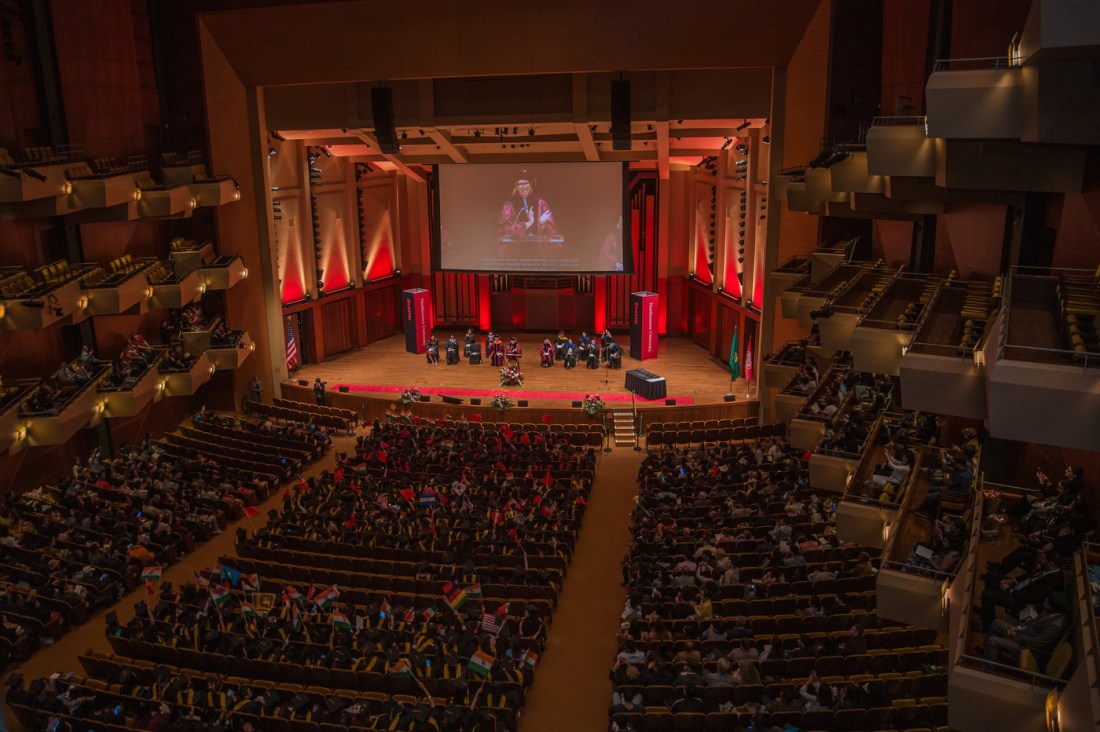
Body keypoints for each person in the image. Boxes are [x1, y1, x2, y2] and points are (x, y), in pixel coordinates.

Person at [983, 594, 1068, 668]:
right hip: (1022, 633)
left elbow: (1037, 643)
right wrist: (1018, 627)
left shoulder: (1054, 626)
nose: (1044, 601)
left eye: (1047, 601)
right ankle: (988, 652)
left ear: (1054, 605)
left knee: (992, 641)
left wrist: (1016, 636)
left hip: (1027, 648)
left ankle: (989, 668)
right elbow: (1033, 622)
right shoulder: (1050, 611)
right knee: (996, 622)